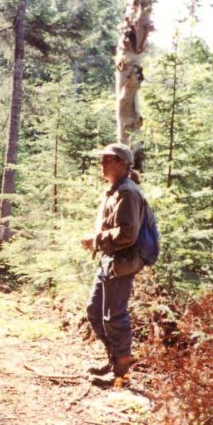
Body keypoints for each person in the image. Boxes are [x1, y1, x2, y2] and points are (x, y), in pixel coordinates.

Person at [81, 143, 145, 387]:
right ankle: (115, 360)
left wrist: (96, 239)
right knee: (94, 311)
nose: (102, 164)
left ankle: (121, 374)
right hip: (109, 260)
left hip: (122, 262)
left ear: (122, 164)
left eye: (108, 160)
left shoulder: (128, 192)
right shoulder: (115, 190)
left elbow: (129, 233)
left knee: (114, 316)